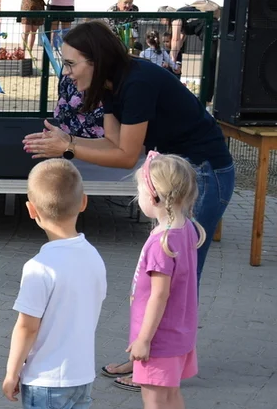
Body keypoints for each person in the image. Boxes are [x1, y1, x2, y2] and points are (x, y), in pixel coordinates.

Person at [23, 21, 233, 386]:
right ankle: (147, 358)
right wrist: (67, 140)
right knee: (162, 276)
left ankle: (158, 368)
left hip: (203, 176)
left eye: (71, 63)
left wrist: (68, 147)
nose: (67, 73)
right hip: (179, 175)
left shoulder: (137, 84)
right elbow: (113, 145)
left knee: (175, 278)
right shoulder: (110, 84)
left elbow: (125, 156)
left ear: (96, 59)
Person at [0, 159, 106, 409]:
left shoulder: (39, 266)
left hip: (46, 379)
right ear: (84, 203)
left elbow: (26, 327)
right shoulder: (93, 256)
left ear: (31, 209)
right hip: (82, 373)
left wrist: (12, 372)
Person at [100, 153, 203, 409]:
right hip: (180, 334)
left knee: (154, 400)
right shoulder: (184, 230)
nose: (139, 198)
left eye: (140, 192)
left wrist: (143, 339)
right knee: (171, 394)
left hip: (160, 338)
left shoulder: (162, 243)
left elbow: (159, 295)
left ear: (155, 196)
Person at [53, 75, 104, 139]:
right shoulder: (68, 79)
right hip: (72, 137)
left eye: (72, 64)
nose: (65, 71)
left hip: (97, 141)